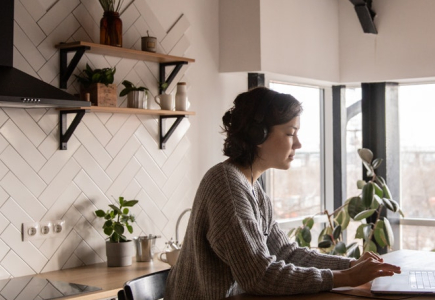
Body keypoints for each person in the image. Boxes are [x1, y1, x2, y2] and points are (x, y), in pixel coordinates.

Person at [165, 87, 401, 299]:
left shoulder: (250, 185)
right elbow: (259, 275)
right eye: (290, 133)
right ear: (259, 134)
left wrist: (351, 264)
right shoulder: (227, 186)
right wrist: (345, 277)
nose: (297, 143)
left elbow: (285, 253)